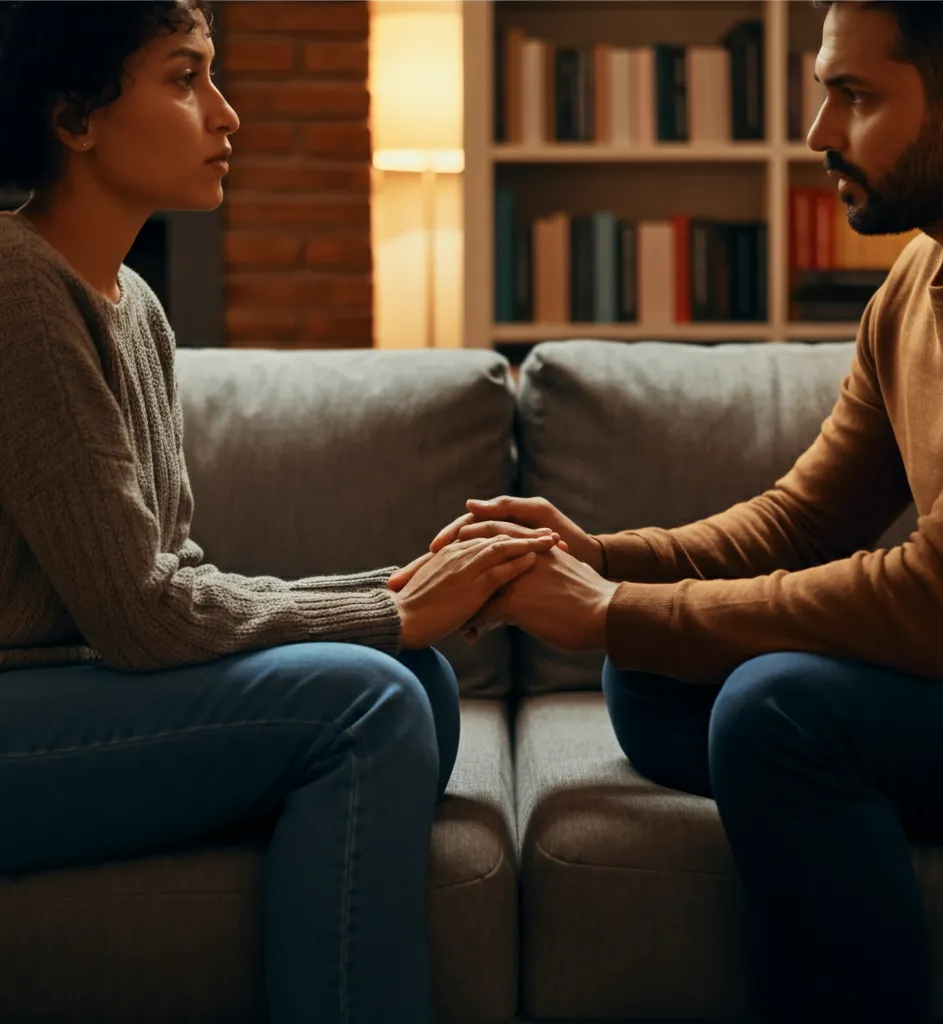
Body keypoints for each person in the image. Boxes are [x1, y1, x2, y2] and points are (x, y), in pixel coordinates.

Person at [397, 2, 943, 1021]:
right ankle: (836, 791)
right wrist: (600, 557)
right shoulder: (912, 285)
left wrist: (605, 608)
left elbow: (938, 599)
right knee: (650, 679)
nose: (818, 133)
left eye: (853, 97)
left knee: (771, 705)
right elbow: (799, 523)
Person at [0, 2, 562, 1022]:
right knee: (374, 701)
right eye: (183, 78)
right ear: (75, 116)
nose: (228, 115)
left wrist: (393, 595)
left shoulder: (132, 302)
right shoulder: (19, 291)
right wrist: (391, 611)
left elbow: (175, 570)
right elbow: (142, 616)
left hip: (65, 691)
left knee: (421, 684)